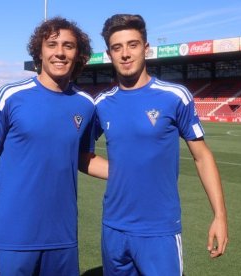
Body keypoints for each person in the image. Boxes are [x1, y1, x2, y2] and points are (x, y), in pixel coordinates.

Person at [0, 17, 107, 276]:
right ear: (39, 51)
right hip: (13, 238)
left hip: (63, 239)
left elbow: (82, 158)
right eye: (52, 44)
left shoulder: (86, 105)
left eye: (68, 46)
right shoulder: (11, 95)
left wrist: (130, 172)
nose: (60, 52)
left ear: (78, 54)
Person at [94, 14, 228, 275]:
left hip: (159, 231)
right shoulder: (101, 104)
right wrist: (120, 172)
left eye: (132, 45)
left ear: (146, 48)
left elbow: (202, 157)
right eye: (117, 47)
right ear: (109, 54)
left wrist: (220, 216)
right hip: (113, 228)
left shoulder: (174, 96)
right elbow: (80, 155)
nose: (125, 54)